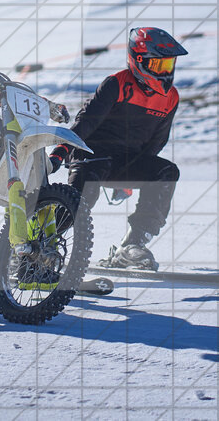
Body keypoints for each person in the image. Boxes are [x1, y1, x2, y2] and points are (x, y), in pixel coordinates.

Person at [48, 27, 188, 271]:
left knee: (166, 172)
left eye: (168, 65)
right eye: (159, 65)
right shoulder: (117, 84)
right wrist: (60, 151)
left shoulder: (171, 97)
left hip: (126, 160)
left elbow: (156, 142)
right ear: (139, 60)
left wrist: (137, 177)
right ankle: (37, 244)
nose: (165, 72)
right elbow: (85, 122)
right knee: (82, 197)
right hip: (91, 155)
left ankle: (132, 246)